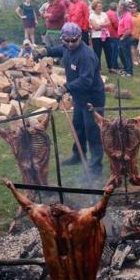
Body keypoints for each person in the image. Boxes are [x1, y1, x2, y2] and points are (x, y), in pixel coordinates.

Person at [36, 22, 105, 180]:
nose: (69, 44)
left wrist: (64, 88)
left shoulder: (86, 56)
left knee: (92, 131)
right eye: (66, 40)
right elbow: (59, 49)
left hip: (92, 98)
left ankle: (95, 167)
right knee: (78, 127)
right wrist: (45, 51)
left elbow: (85, 81)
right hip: (79, 97)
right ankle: (78, 155)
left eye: (73, 40)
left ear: (80, 37)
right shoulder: (67, 47)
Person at [89, 0, 110, 67]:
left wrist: (100, 25)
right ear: (95, 7)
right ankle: (98, 68)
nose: (100, 8)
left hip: (106, 36)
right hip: (96, 37)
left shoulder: (104, 14)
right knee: (97, 53)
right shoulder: (92, 16)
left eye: (101, 6)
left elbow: (109, 23)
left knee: (108, 52)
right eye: (98, 6)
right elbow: (95, 27)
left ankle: (111, 67)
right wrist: (104, 25)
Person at [117, 0, 133, 77]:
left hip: (125, 38)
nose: (117, 7)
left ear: (122, 7)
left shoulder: (127, 17)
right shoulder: (123, 15)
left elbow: (128, 30)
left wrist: (123, 37)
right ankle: (126, 69)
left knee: (126, 55)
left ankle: (129, 71)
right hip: (122, 37)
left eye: (119, 6)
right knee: (122, 54)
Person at [104, 2, 119, 73]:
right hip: (114, 34)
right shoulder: (114, 14)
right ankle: (114, 66)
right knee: (114, 52)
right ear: (115, 7)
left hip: (107, 34)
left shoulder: (106, 13)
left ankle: (111, 65)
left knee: (110, 51)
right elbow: (116, 24)